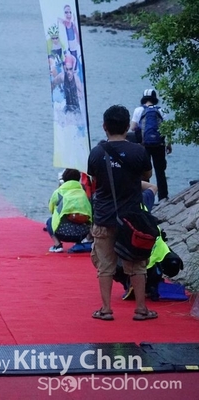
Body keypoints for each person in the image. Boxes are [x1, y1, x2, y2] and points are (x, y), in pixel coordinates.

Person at [87, 104, 157, 322]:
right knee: (137, 264)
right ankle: (141, 309)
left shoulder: (96, 153)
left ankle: (106, 309)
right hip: (132, 219)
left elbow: (94, 180)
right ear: (128, 126)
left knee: (105, 265)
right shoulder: (139, 151)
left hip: (105, 217)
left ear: (104, 127)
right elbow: (147, 175)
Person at [129, 89, 171, 202]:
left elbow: (132, 128)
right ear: (155, 99)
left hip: (143, 146)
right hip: (159, 145)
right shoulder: (162, 110)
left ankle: (145, 197)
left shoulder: (138, 110)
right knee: (160, 171)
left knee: (144, 172)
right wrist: (169, 144)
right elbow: (167, 129)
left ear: (143, 98)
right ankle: (163, 197)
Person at [46, 168, 93, 253]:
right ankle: (79, 243)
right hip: (82, 233)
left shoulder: (58, 192)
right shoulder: (84, 192)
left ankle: (57, 245)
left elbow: (51, 209)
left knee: (50, 221)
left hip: (62, 233)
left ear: (64, 179)